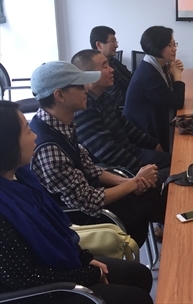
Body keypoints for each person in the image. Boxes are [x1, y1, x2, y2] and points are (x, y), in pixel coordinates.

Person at [0, 100, 153, 304]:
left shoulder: (22, 177)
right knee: (136, 298)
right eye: (27, 131)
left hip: (59, 265)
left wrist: (85, 259)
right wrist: (87, 275)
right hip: (37, 293)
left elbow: (58, 232)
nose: (34, 135)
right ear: (8, 143)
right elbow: (23, 278)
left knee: (139, 275)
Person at [28, 61, 165, 247]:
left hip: (97, 200)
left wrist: (132, 181)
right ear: (59, 95)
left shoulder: (60, 124)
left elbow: (91, 169)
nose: (86, 89)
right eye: (79, 86)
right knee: (164, 192)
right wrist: (133, 184)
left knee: (162, 186)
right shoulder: (48, 147)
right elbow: (88, 201)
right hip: (87, 219)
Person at [72, 49, 171, 183]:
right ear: (87, 75)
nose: (111, 70)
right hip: (118, 171)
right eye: (105, 66)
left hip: (132, 153)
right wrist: (142, 170)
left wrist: (154, 144)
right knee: (175, 171)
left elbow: (126, 126)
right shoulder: (82, 109)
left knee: (176, 161)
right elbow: (108, 153)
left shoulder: (105, 97)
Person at [123, 26, 185, 152]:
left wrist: (171, 74)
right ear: (157, 47)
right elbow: (177, 102)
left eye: (174, 44)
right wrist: (177, 76)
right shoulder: (148, 75)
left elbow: (169, 95)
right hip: (145, 138)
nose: (174, 49)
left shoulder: (155, 66)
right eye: (170, 45)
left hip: (154, 125)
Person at [90, 26, 132, 107]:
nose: (116, 46)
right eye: (112, 41)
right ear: (99, 45)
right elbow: (119, 99)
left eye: (116, 41)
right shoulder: (97, 70)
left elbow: (131, 78)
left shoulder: (114, 61)